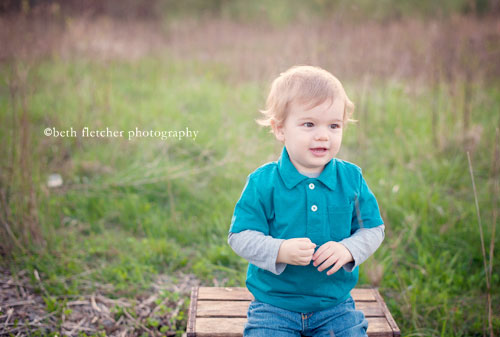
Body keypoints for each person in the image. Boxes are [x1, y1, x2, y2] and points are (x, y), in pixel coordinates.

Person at [228, 65, 385, 337]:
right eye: (309, 124)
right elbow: (240, 235)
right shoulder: (263, 182)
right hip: (274, 306)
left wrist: (348, 249)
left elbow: (372, 229)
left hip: (334, 306)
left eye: (334, 125)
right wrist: (279, 250)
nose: (323, 135)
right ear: (280, 129)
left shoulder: (350, 179)